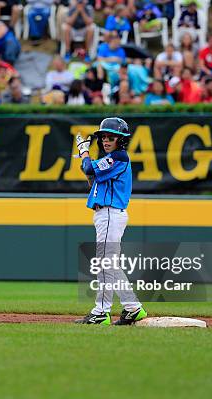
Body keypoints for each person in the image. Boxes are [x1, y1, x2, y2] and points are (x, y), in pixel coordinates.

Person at [74, 118, 147, 325]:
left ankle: (101, 312)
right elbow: (91, 177)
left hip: (110, 214)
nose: (106, 140)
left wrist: (84, 153)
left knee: (105, 264)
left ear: (120, 140)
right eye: (103, 136)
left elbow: (89, 168)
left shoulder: (119, 157)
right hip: (106, 214)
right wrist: (86, 161)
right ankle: (133, 309)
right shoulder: (111, 160)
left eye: (111, 137)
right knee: (111, 265)